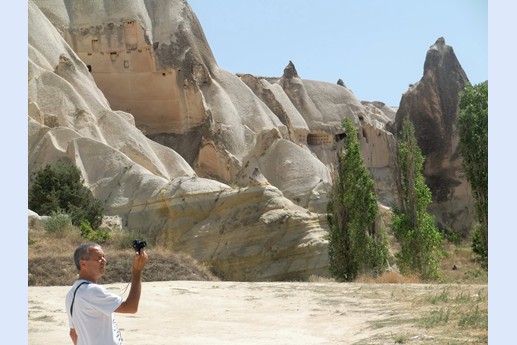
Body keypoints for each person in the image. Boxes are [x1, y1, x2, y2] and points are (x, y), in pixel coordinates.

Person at [65, 242, 148, 345]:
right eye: (98, 258)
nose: (104, 261)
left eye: (103, 257)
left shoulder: (71, 294)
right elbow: (131, 307)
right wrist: (137, 270)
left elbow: (73, 334)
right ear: (83, 264)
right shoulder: (91, 291)